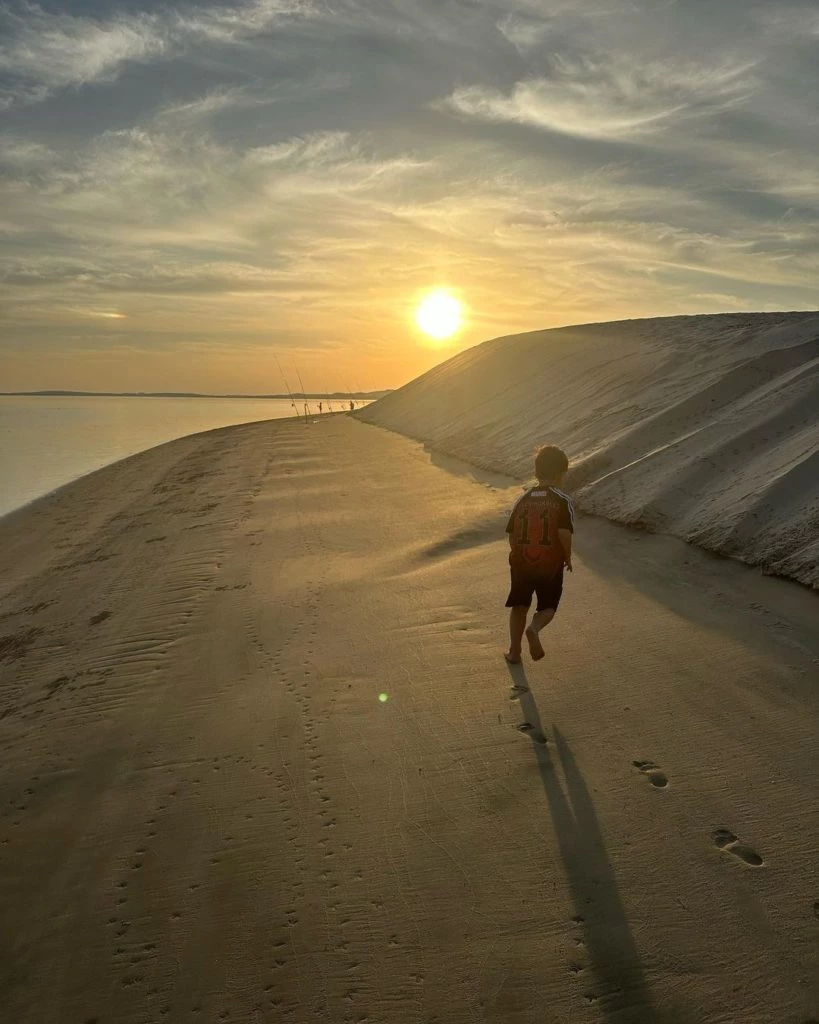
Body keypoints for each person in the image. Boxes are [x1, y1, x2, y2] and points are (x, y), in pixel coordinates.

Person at [504, 445, 574, 664]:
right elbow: (564, 532)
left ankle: (515, 652)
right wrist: (568, 556)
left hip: (522, 562)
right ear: (561, 474)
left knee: (519, 606)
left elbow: (512, 533)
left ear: (536, 472)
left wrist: (516, 553)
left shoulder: (523, 499)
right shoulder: (562, 500)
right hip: (550, 563)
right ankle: (534, 628)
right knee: (548, 607)